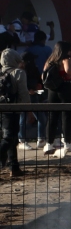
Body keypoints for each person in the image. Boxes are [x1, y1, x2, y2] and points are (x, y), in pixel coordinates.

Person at [41, 41, 71, 159]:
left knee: (52, 117)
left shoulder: (50, 60)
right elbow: (69, 72)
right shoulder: (65, 59)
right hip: (65, 89)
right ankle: (67, 142)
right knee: (67, 116)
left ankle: (49, 144)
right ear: (66, 50)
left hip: (52, 91)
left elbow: (43, 75)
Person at [0, 48, 30, 177]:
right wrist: (29, 111)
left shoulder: (0, 72)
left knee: (9, 137)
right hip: (12, 110)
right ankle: (13, 167)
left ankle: (14, 167)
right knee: (9, 137)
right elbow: (23, 93)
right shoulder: (18, 73)